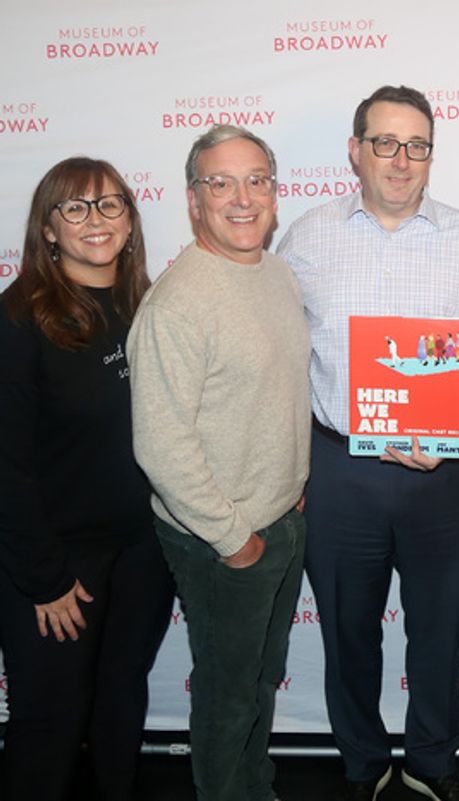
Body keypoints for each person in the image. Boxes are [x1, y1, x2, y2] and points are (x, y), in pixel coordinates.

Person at [277, 85, 459, 801]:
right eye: (385, 142)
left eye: (417, 145)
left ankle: (432, 759)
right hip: (338, 470)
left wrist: (454, 430)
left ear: (431, 156)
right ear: (355, 150)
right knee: (348, 632)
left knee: (439, 632)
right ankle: (361, 763)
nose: (401, 159)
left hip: (441, 474)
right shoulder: (305, 237)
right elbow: (280, 352)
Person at [128, 125, 311, 801]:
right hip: (221, 540)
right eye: (221, 182)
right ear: (193, 200)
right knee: (228, 695)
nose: (242, 198)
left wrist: (292, 493)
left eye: (256, 179)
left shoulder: (274, 271)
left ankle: (252, 787)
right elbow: (161, 445)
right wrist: (235, 540)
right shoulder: (177, 303)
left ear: (273, 191)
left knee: (261, 679)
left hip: (279, 519)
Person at [0, 157, 174, 801]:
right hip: (56, 562)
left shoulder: (147, 305)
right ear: (48, 229)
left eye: (110, 205)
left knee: (120, 702)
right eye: (75, 207)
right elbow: (6, 467)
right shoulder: (18, 321)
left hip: (142, 550)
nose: (95, 220)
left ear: (130, 219)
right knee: (49, 722)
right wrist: (43, 578)